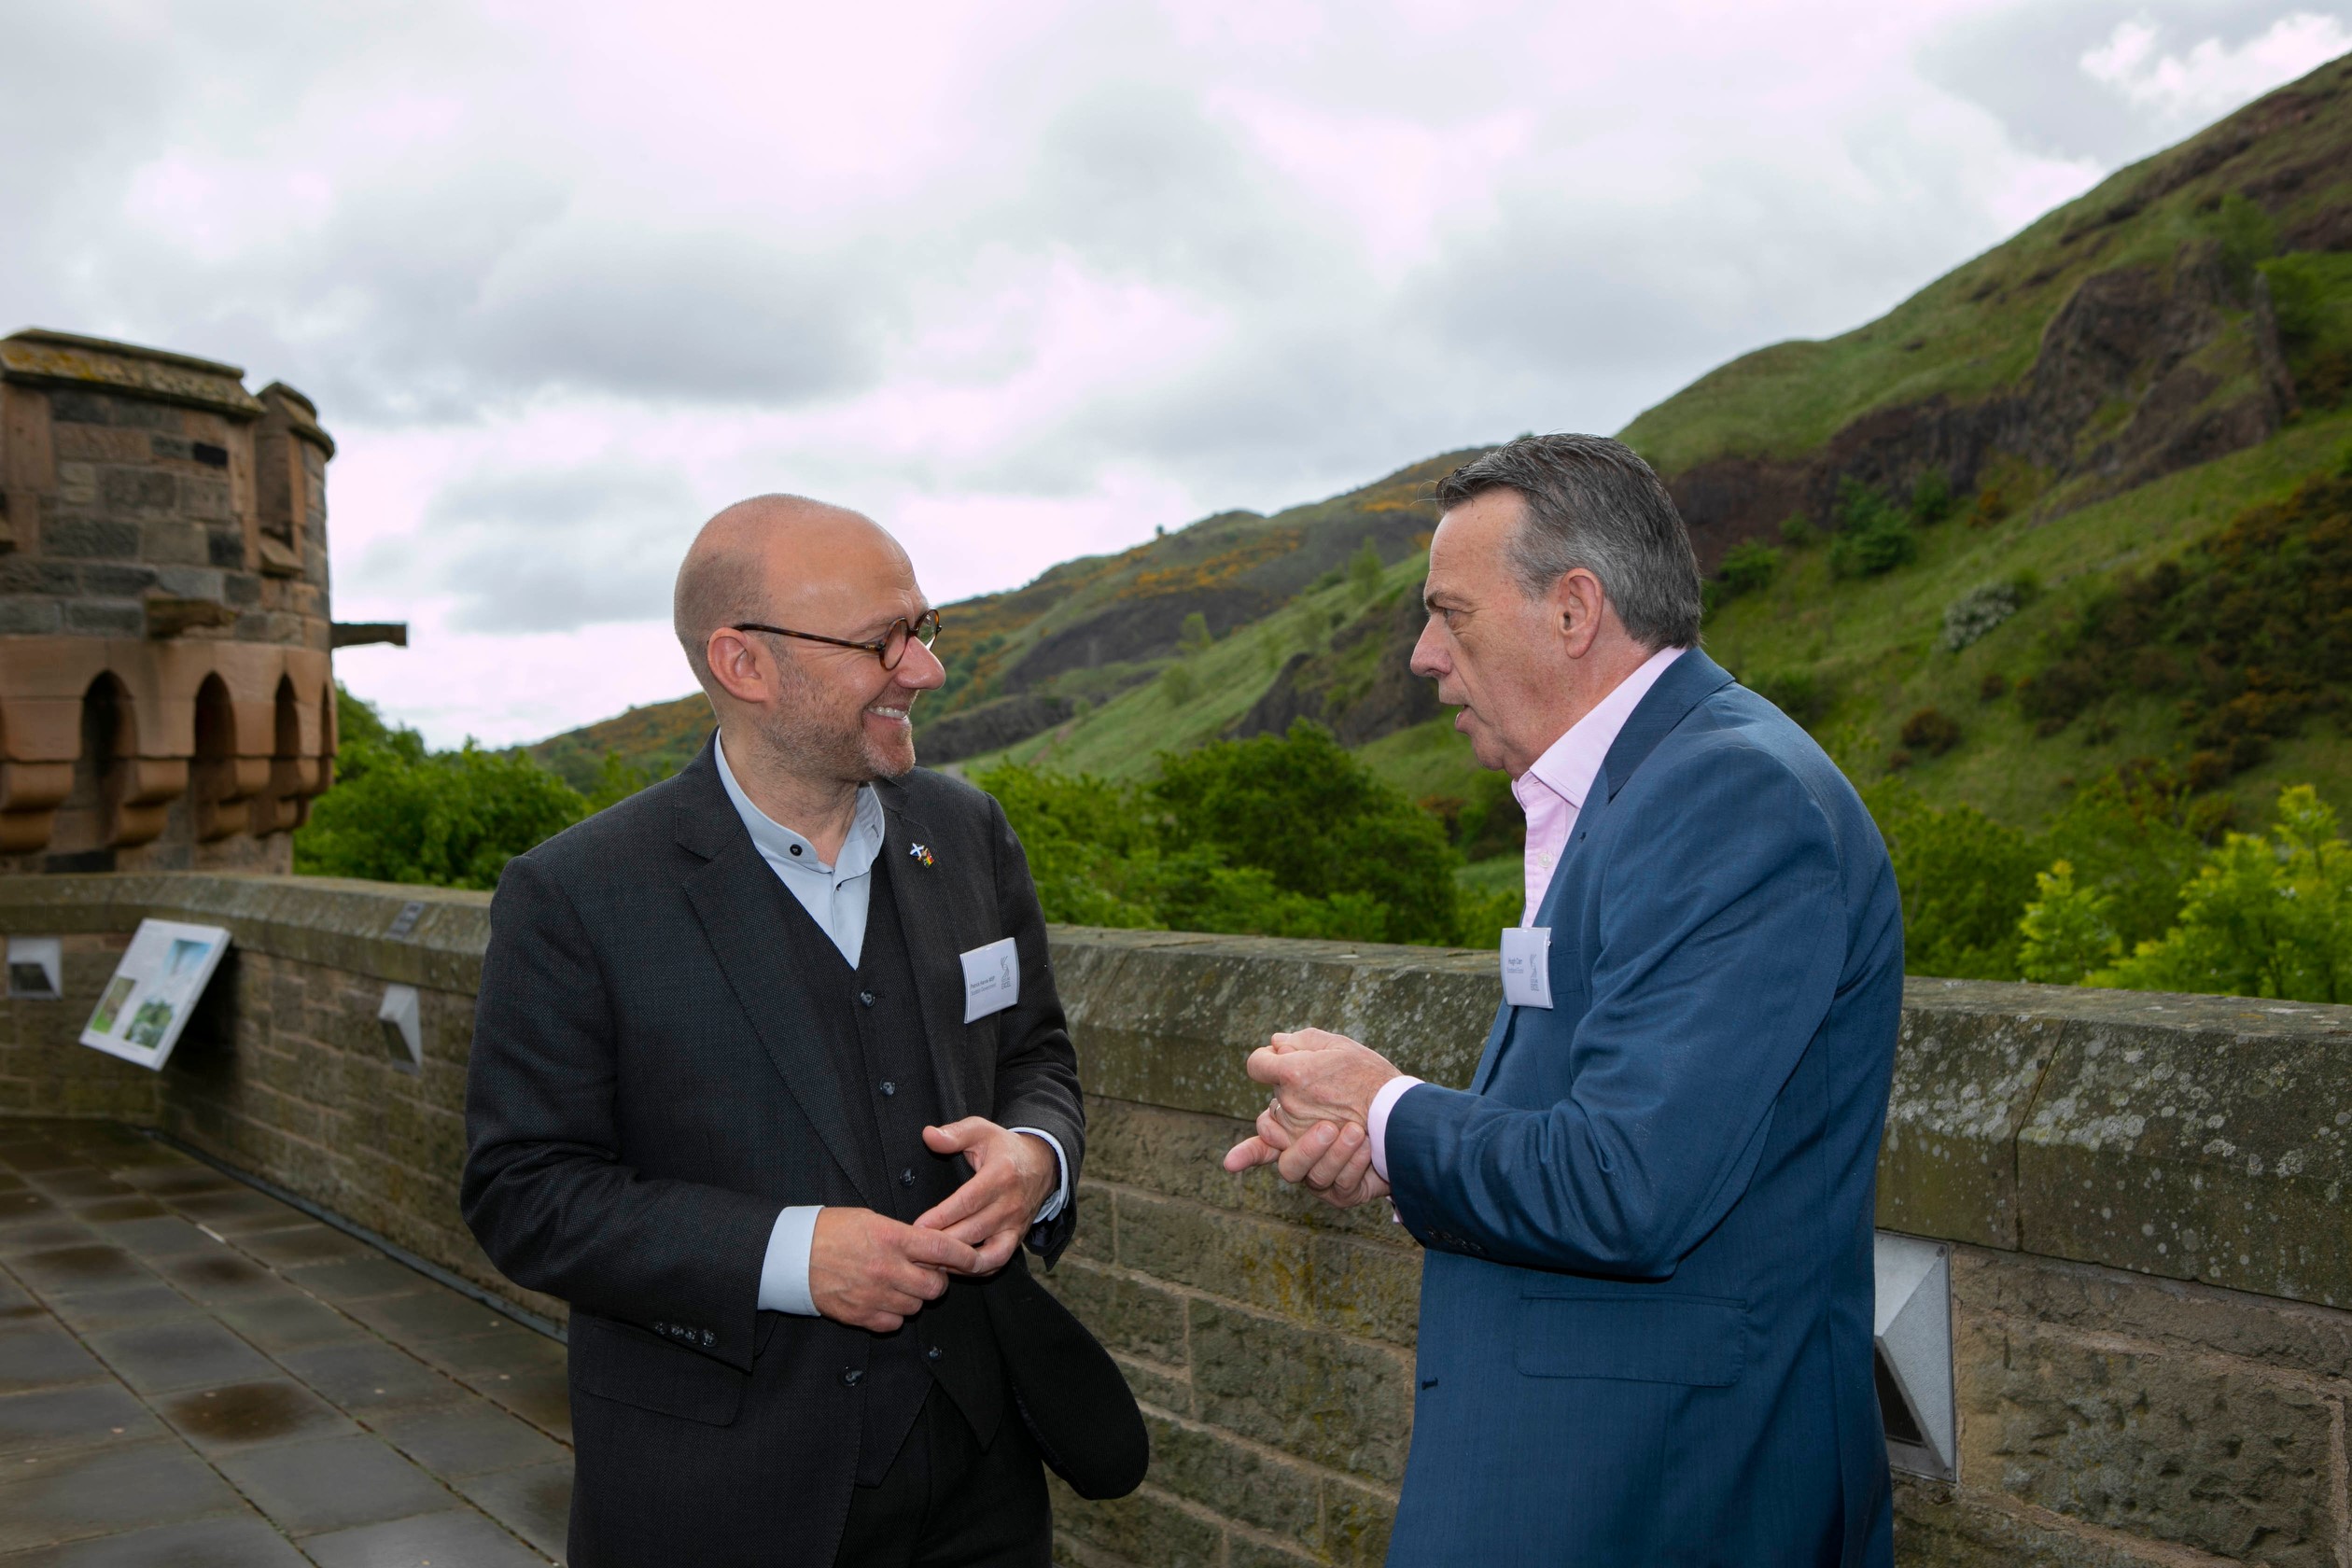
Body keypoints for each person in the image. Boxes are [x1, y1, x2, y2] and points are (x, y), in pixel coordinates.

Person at [1225, 435, 1902, 1564]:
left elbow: (1626, 1185)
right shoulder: (1641, 786)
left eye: (1453, 613)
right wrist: (1393, 1145)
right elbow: (1592, 1118)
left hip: (1668, 1493)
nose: (1423, 655)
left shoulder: (1728, 795)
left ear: (1575, 610)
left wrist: (1387, 1107)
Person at [464, 496, 1131, 1568]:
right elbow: (524, 1193)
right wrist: (788, 1256)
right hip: (723, 1495)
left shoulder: (968, 835)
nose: (925, 670)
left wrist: (1035, 1156)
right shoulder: (577, 895)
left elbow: (1035, 1057)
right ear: (744, 663)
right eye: (884, 641)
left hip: (985, 1479)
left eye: (927, 629)